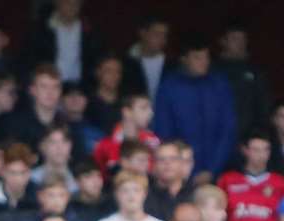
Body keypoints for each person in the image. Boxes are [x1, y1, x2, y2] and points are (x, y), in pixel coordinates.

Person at [154, 36, 235, 183]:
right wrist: (186, 168)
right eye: (197, 58)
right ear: (184, 59)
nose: (204, 62)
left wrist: (212, 169)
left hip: (217, 170)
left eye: (206, 57)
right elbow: (164, 131)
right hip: (180, 172)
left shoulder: (219, 85)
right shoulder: (169, 87)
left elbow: (227, 129)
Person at [216, 131, 284, 221]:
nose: (261, 154)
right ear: (245, 150)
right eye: (256, 149)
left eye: (265, 150)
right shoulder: (227, 180)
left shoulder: (281, 183)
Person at [15, 0, 103, 85]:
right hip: (50, 86)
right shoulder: (40, 29)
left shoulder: (88, 30)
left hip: (80, 87)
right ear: (58, 2)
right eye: (67, 2)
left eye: (76, 3)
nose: (72, 7)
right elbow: (27, 60)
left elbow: (95, 61)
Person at [91, 93, 159, 175]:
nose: (150, 113)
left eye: (150, 109)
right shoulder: (104, 145)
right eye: (143, 108)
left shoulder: (153, 141)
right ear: (126, 112)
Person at [119, 14, 171, 100]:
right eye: (157, 34)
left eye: (165, 35)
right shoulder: (125, 63)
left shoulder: (171, 65)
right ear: (143, 33)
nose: (162, 40)